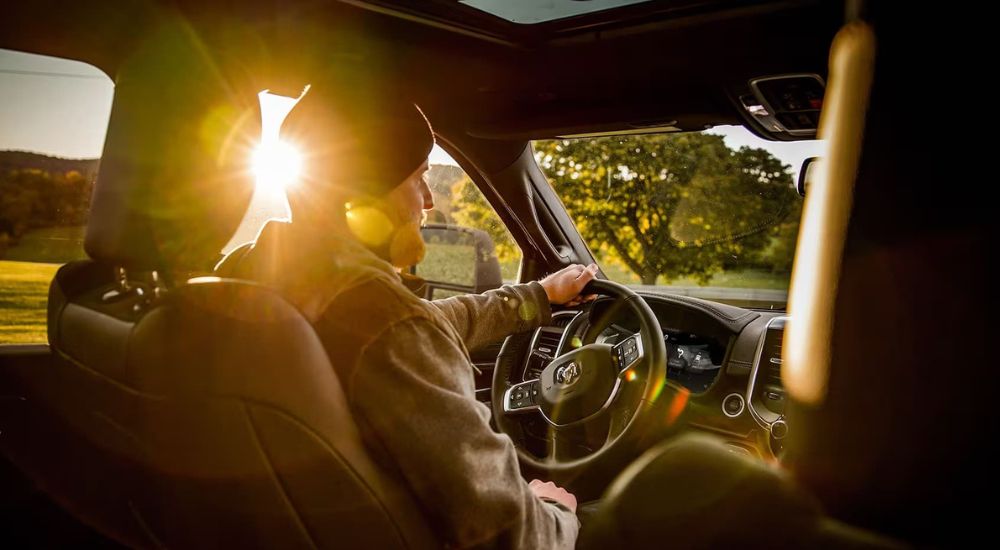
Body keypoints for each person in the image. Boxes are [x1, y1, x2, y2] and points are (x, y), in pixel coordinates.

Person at [225, 91, 597, 548]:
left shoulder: (251, 274)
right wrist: (559, 512)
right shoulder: (389, 325)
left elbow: (426, 322)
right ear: (368, 192)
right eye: (418, 177)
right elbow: (513, 533)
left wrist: (537, 297)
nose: (428, 200)